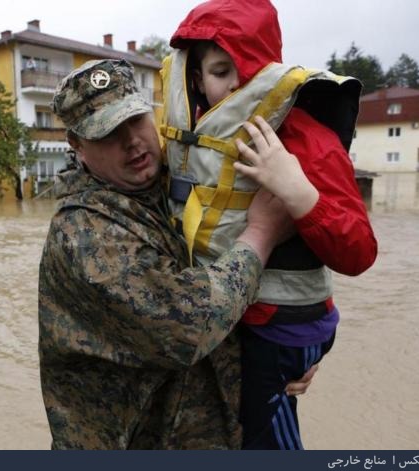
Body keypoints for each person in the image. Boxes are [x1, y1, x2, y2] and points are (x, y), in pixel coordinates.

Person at [38, 59, 313, 449]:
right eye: (108, 133)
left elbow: (255, 281)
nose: (131, 140)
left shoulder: (182, 183)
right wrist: (261, 235)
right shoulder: (83, 234)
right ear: (77, 145)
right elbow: (193, 325)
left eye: (135, 119)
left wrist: (292, 349)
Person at [162, 0, 378, 449]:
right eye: (221, 71)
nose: (237, 85)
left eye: (249, 71)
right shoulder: (187, 135)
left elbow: (359, 252)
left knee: (265, 443)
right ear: (197, 78)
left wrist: (297, 192)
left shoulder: (305, 141)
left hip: (279, 329)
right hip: (230, 321)